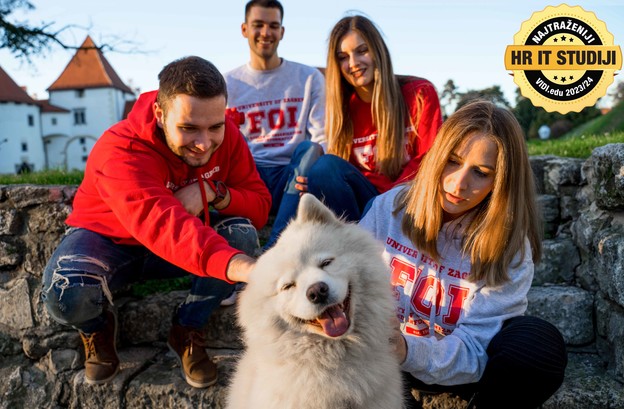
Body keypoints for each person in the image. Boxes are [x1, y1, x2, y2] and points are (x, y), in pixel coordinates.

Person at [40, 56, 271, 389]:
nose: (204, 142)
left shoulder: (228, 135)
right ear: (161, 116)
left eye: (215, 126)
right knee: (66, 292)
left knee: (241, 234)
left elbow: (260, 206)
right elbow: (164, 226)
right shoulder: (120, 148)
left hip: (177, 248)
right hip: (110, 242)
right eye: (189, 128)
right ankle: (97, 328)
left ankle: (187, 330)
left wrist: (212, 191)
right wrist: (250, 271)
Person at [359, 100, 567, 408]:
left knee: (538, 344)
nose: (459, 183)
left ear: (501, 182)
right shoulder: (390, 208)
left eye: (481, 173)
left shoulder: (508, 246)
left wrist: (407, 350)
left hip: (457, 370)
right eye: (453, 161)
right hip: (385, 367)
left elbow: (474, 348)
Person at [300, 14, 442, 221]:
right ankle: (353, 246)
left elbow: (430, 159)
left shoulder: (420, 94)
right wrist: (314, 181)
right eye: (343, 57)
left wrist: (385, 201)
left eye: (362, 51)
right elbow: (339, 173)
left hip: (407, 201)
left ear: (378, 50)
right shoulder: (341, 107)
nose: (353, 63)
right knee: (323, 168)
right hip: (362, 206)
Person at [224, 0, 326, 248]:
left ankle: (276, 246)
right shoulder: (227, 83)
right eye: (258, 25)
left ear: (282, 31)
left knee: (310, 149)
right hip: (250, 174)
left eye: (273, 25)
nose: (266, 33)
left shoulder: (309, 77)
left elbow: (322, 136)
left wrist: (312, 171)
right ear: (244, 29)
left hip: (291, 174)